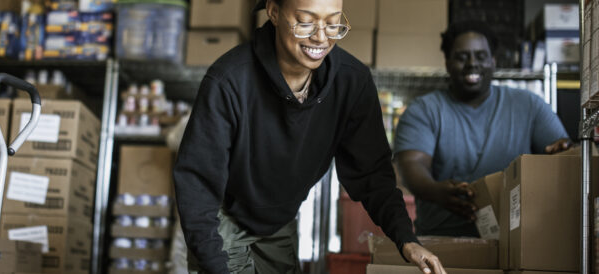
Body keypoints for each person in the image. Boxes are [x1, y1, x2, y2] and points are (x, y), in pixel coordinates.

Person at [173, 0, 447, 273]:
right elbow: (198, 183)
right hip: (224, 215)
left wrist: (406, 239)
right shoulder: (229, 80)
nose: (320, 37)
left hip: (280, 220)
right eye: (305, 22)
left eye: (332, 23)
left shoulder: (352, 82)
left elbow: (373, 175)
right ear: (274, 12)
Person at [394, 21, 572, 237]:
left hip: (516, 239)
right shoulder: (424, 110)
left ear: (493, 61)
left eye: (481, 56)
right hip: (441, 241)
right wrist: (436, 192)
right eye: (462, 57)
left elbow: (564, 154)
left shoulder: (529, 106)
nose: (472, 64)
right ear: (448, 63)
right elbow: (412, 165)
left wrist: (561, 154)